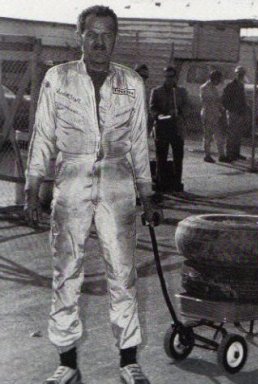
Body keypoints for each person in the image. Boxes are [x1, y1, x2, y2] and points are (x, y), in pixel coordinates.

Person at [24, 6, 161, 384]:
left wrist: (147, 194)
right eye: (92, 34)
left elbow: (138, 143)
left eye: (107, 34)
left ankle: (129, 361)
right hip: (72, 177)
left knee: (123, 271)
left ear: (116, 38)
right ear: (79, 36)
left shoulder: (132, 83)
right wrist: (32, 186)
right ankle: (67, 362)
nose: (100, 42)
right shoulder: (58, 78)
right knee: (66, 270)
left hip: (117, 181)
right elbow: (43, 135)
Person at [149, 65, 188, 193]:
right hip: (162, 126)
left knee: (178, 156)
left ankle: (177, 182)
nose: (169, 80)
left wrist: (180, 112)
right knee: (161, 156)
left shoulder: (181, 91)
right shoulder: (157, 91)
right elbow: (152, 108)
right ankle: (161, 182)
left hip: (176, 127)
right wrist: (160, 115)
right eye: (166, 77)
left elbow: (188, 108)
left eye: (171, 77)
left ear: (175, 78)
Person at [200, 69, 229, 163]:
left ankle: (222, 155)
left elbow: (217, 101)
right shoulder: (205, 87)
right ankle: (207, 155)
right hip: (208, 113)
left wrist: (221, 108)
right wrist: (217, 103)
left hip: (215, 114)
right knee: (208, 135)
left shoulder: (214, 88)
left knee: (219, 135)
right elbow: (207, 101)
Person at [222, 65, 248, 162]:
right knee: (232, 134)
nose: (241, 76)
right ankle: (229, 154)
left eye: (242, 74)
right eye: (239, 74)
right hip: (233, 112)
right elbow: (224, 99)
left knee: (238, 134)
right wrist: (231, 109)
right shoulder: (231, 85)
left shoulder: (241, 85)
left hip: (240, 112)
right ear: (236, 74)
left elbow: (243, 99)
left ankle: (236, 153)